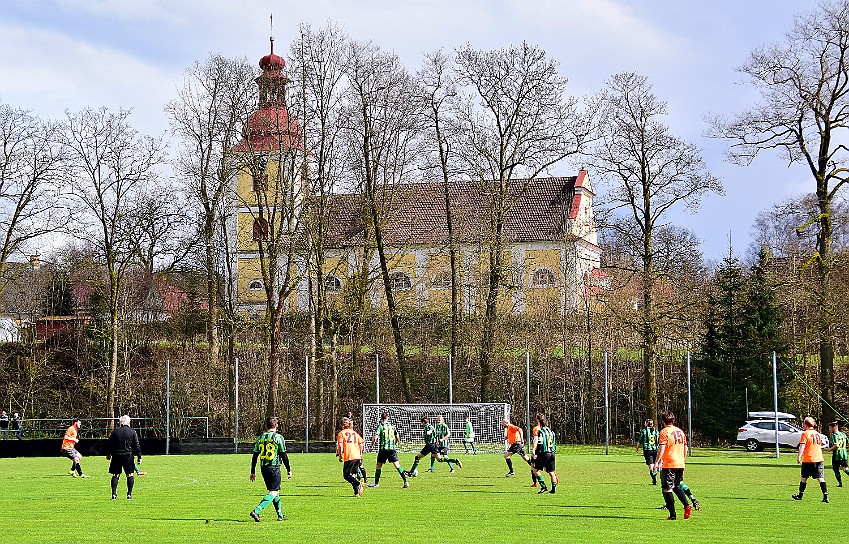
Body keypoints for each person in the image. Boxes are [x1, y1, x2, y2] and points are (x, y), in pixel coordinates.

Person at [651, 411, 693, 520]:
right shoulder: (680, 431)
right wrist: (682, 459)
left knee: (667, 488)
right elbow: (685, 448)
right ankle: (687, 505)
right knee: (676, 486)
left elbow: (662, 448)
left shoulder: (664, 432)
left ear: (663, 422)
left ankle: (672, 515)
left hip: (669, 463)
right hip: (680, 463)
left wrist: (657, 462)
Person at [249, 416, 289, 521]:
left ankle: (280, 515)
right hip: (274, 468)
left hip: (264, 468)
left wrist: (252, 471)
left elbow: (254, 456)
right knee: (273, 492)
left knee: (275, 491)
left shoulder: (260, 438)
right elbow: (283, 455)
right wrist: (289, 469)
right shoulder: (278, 437)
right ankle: (256, 511)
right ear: (276, 425)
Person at [367, 412, 409, 489]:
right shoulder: (392, 426)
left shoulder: (381, 426)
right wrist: (395, 444)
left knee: (378, 466)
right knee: (397, 466)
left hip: (383, 449)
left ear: (381, 418)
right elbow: (398, 438)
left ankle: (376, 484)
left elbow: (375, 437)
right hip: (392, 449)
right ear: (387, 418)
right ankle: (405, 481)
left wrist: (371, 446)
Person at [792, 416, 829, 502]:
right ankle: (825, 495)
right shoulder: (817, 434)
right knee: (820, 478)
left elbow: (802, 446)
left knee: (804, 478)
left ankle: (800, 495)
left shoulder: (805, 434)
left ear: (806, 424)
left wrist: (799, 456)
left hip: (809, 459)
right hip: (819, 458)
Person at [106, 415, 142, 500]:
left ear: (120, 423)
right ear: (128, 422)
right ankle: (129, 495)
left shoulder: (115, 432)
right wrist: (139, 456)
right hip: (128, 456)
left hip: (116, 456)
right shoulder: (132, 432)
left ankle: (114, 495)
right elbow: (136, 445)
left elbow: (109, 444)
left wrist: (108, 454)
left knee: (115, 475)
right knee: (129, 475)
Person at [336, 417, 365, 497]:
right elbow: (361, 444)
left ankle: (359, 484)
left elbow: (340, 446)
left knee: (346, 475)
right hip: (357, 456)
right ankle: (356, 493)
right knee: (353, 475)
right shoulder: (355, 433)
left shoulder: (341, 433)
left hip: (349, 456)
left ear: (342, 426)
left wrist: (340, 456)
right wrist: (360, 454)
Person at [530, 415, 557, 494]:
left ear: (540, 425)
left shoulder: (541, 432)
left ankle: (543, 487)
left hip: (545, 454)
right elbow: (554, 444)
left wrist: (536, 453)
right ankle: (553, 488)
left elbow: (540, 443)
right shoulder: (552, 432)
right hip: (552, 453)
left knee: (535, 470)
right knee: (551, 472)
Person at [347, 410, 368, 484]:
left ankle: (357, 480)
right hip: (358, 454)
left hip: (353, 454)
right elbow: (362, 443)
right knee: (360, 466)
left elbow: (361, 443)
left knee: (355, 468)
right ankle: (363, 479)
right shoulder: (355, 434)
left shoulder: (350, 434)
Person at [636, 419, 660, 485]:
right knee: (655, 464)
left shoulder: (644, 431)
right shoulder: (656, 431)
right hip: (656, 449)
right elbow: (659, 441)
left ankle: (654, 479)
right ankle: (655, 476)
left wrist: (637, 448)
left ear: (646, 424)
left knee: (651, 466)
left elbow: (640, 441)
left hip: (648, 450)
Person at [826, 421, 849, 487]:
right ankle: (840, 484)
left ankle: (840, 483)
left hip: (837, 455)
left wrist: (830, 449)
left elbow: (837, 445)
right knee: (845, 468)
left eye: (830, 428)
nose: (829, 430)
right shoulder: (843, 434)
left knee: (836, 469)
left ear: (834, 427)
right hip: (844, 454)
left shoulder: (835, 435)